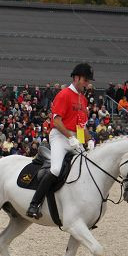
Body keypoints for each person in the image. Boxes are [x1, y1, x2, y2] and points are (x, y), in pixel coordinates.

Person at [27, 63, 93, 219]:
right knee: (56, 169)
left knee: (86, 167)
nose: (87, 83)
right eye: (85, 80)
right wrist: (70, 137)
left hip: (75, 139)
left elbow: (81, 126)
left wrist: (89, 141)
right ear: (76, 78)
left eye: (88, 80)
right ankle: (34, 204)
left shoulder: (83, 99)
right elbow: (56, 121)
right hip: (59, 136)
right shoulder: (64, 95)